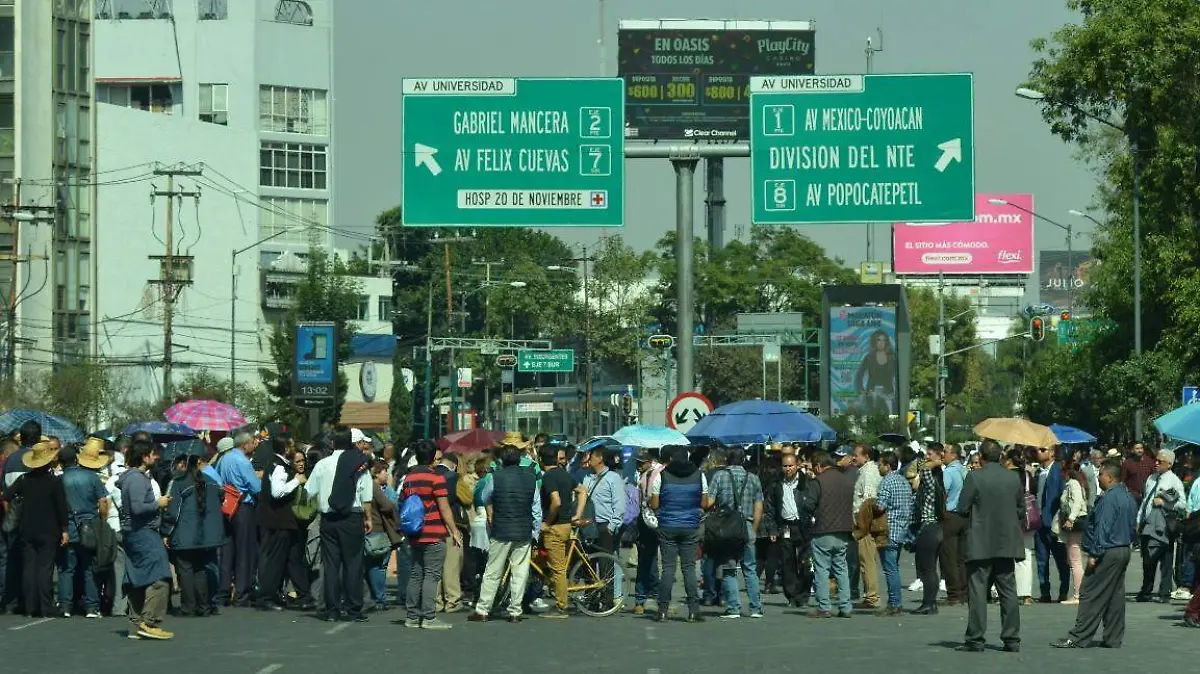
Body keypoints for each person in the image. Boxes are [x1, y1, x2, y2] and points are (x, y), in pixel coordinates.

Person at [1051, 461, 1138, 649]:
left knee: (1090, 591)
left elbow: (1103, 528)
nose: (1098, 478)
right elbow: (1133, 526)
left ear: (1109, 477)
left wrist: (1094, 553)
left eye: (1101, 475)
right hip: (1123, 548)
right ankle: (1113, 637)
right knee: (1115, 595)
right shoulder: (1128, 497)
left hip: (1107, 550)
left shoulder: (1109, 499)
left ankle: (1079, 636)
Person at [956, 440, 1024, 653]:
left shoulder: (974, 477)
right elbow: (1021, 509)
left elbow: (962, 508)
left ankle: (976, 638)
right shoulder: (1013, 477)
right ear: (1001, 457)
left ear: (981, 457)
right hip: (1006, 542)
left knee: (977, 592)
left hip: (980, 543)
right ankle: (1012, 638)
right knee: (1008, 592)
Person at [304, 427, 374, 624]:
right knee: (353, 563)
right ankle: (354, 608)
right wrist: (368, 518)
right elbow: (366, 496)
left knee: (331, 564)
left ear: (332, 443)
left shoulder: (322, 464)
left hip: (328, 518)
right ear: (352, 443)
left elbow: (309, 491)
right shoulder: (359, 463)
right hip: (352, 516)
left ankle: (332, 609)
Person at [469, 445, 539, 623]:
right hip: (523, 529)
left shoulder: (495, 477)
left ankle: (483, 609)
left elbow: (485, 497)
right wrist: (535, 532)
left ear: (501, 460)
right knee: (520, 571)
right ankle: (515, 611)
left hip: (501, 529)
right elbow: (536, 510)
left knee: (493, 570)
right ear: (519, 459)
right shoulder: (531, 479)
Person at [399, 440, 460, 629]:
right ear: (434, 457)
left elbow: (404, 503)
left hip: (415, 533)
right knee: (432, 575)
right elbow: (444, 508)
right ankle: (429, 617)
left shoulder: (408, 478)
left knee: (416, 574)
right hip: (433, 532)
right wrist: (454, 531)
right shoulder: (436, 478)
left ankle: (411, 616)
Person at [117, 440, 173, 640]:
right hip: (143, 532)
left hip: (135, 532)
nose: (155, 457)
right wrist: (159, 503)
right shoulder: (137, 479)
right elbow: (138, 507)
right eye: (152, 453)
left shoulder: (132, 478)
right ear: (144, 456)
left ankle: (135, 623)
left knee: (138, 577)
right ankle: (149, 621)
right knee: (160, 576)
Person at [7, 440, 68, 618]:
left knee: (29, 567)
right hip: (49, 529)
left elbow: (7, 495)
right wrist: (64, 529)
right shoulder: (54, 481)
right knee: (44, 568)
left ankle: (29, 606)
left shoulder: (24, 480)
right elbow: (61, 507)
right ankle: (45, 606)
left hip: (27, 528)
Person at [649, 444, 708, 622]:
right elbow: (704, 503)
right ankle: (693, 611)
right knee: (689, 568)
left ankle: (663, 610)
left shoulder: (662, 476)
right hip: (690, 526)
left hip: (667, 526)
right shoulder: (699, 475)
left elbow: (654, 504)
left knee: (668, 568)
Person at [161, 448, 223, 617]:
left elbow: (172, 512)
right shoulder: (212, 481)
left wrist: (165, 532)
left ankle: (188, 607)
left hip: (185, 534)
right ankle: (203, 606)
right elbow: (221, 499)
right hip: (206, 535)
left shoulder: (178, 482)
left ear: (184, 464)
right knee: (200, 569)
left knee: (186, 569)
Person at [707, 446, 764, 619]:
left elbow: (709, 502)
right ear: (744, 459)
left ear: (726, 460)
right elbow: (759, 506)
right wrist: (753, 528)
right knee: (750, 569)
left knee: (729, 568)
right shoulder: (753, 478)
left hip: (726, 528)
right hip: (746, 525)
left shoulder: (720, 476)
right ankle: (756, 608)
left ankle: (733, 608)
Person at [56, 437, 111, 618]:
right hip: (90, 526)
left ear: (61, 463)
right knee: (89, 567)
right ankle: (92, 607)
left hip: (68, 527)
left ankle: (65, 606)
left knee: (66, 568)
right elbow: (103, 502)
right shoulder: (91, 477)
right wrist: (102, 520)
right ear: (77, 459)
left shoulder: (60, 480)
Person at [256, 434, 311, 612]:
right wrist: (296, 480)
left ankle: (300, 594)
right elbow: (277, 492)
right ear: (286, 449)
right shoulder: (279, 467)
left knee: (289, 559)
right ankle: (266, 597)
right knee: (275, 561)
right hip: (278, 521)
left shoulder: (275, 464)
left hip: (279, 522)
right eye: (291, 446)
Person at [213, 427, 261, 607]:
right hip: (243, 506)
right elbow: (256, 487)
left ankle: (223, 591)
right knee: (244, 552)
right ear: (245, 444)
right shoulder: (243, 462)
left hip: (227, 505)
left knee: (227, 550)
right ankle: (242, 594)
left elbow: (217, 479)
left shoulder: (224, 459)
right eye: (251, 442)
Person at [766, 450, 819, 609]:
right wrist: (772, 529)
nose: (788, 468)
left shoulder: (807, 482)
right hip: (785, 526)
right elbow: (770, 508)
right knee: (787, 563)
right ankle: (791, 595)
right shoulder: (776, 484)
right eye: (785, 466)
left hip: (804, 526)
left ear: (797, 466)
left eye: (791, 465)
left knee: (806, 563)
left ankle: (803, 595)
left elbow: (814, 504)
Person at [1135, 448, 1186, 602]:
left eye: (1160, 461)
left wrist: (1164, 503)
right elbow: (1145, 501)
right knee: (1147, 559)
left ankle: (1164, 592)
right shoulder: (1152, 478)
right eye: (1156, 460)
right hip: (1148, 523)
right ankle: (1146, 589)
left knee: (1165, 560)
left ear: (1169, 464)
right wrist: (1139, 520)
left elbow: (1182, 504)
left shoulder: (1174, 480)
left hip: (1164, 525)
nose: (1156, 463)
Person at [809, 450, 855, 619]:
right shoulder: (847, 480)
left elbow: (809, 505)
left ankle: (824, 607)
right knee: (841, 569)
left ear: (819, 466)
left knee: (822, 569)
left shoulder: (818, 481)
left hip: (823, 529)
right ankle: (846, 606)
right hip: (844, 529)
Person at [538, 444, 581, 619]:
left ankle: (561, 606)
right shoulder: (564, 474)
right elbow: (582, 491)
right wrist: (577, 514)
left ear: (541, 460)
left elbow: (555, 502)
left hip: (554, 528)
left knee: (558, 569)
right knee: (551, 564)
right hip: (566, 526)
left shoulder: (548, 477)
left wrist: (547, 522)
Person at [907, 457, 945, 615]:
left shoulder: (929, 489)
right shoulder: (929, 489)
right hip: (932, 529)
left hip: (928, 529)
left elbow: (926, 469)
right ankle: (929, 602)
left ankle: (929, 603)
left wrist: (929, 461)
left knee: (927, 569)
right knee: (927, 568)